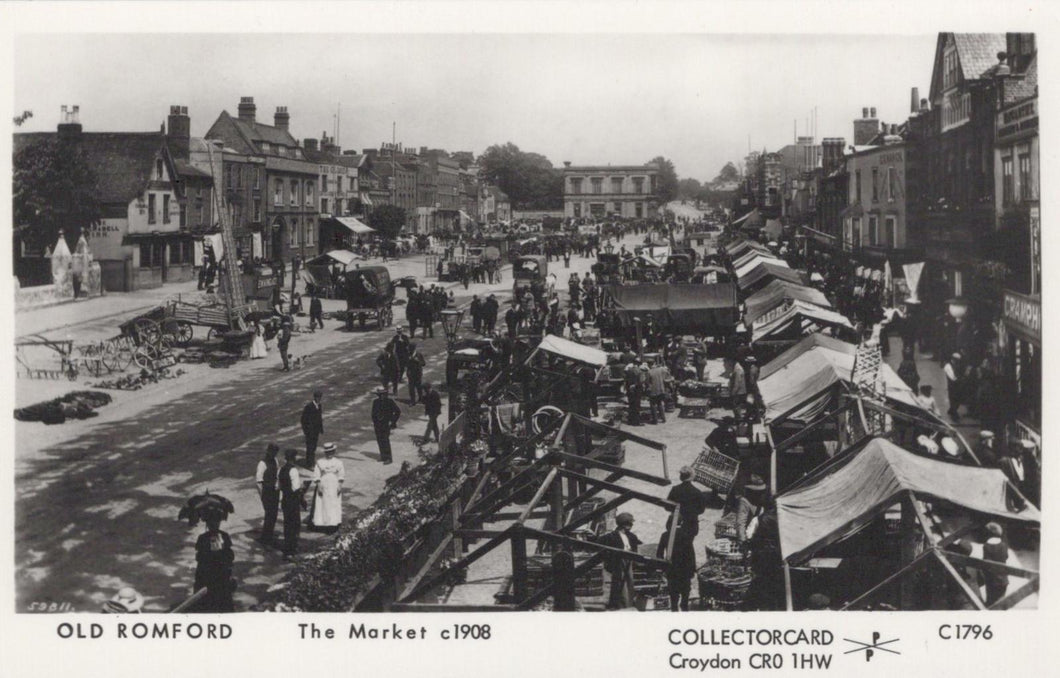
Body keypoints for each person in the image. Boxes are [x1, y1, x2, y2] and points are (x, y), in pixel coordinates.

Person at [597, 512, 642, 610]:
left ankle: (629, 604)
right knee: (618, 583)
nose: (632, 525)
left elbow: (635, 549)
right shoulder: (611, 536)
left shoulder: (631, 536)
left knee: (629, 582)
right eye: (630, 523)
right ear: (624, 524)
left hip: (628, 562)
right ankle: (617, 605)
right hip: (618, 562)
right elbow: (600, 544)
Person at [193, 517, 235, 612]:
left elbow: (229, 555)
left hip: (218, 573)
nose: (215, 525)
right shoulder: (204, 538)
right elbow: (199, 557)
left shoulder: (222, 536)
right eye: (212, 523)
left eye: (216, 522)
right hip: (209, 573)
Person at [656, 523, 696, 611]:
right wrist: (692, 569)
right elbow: (691, 554)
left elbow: (659, 553)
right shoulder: (686, 534)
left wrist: (663, 567)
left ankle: (674, 609)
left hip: (671, 569)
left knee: (673, 594)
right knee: (685, 592)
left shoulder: (665, 535)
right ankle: (684, 606)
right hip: (685, 569)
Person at [310, 443, 345, 532]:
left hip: (334, 484)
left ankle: (333, 522)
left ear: (334, 452)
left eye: (331, 452)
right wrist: (319, 485)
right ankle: (323, 522)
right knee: (323, 503)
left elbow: (341, 475)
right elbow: (317, 475)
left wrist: (340, 485)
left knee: (333, 503)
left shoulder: (338, 462)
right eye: (327, 452)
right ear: (325, 453)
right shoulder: (320, 462)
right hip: (324, 483)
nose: (329, 454)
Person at [667, 466, 707, 536]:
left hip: (674, 524)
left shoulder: (675, 489)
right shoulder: (697, 492)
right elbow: (701, 510)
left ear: (681, 477)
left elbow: (667, 507)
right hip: (691, 526)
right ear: (692, 477)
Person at [279, 449, 304, 559]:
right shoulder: (293, 470)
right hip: (293, 501)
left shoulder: (281, 469)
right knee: (294, 524)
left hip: (285, 499)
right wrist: (303, 488)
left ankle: (288, 547)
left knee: (287, 524)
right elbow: (296, 488)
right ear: (293, 458)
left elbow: (279, 486)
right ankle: (291, 549)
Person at [255, 443, 281, 545]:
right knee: (269, 514)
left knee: (274, 514)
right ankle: (265, 538)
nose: (273, 454)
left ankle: (269, 535)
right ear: (268, 452)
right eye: (272, 452)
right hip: (267, 492)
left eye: (275, 453)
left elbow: (277, 474)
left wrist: (277, 486)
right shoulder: (262, 463)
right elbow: (258, 481)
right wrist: (262, 494)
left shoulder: (275, 460)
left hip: (275, 491)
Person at [982, 523, 1009, 605]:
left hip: (991, 579)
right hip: (1002, 578)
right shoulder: (1003, 545)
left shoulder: (986, 546)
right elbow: (1006, 556)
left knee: (990, 601)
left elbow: (985, 560)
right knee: (1000, 602)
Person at [371, 387, 401, 464]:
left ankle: (389, 458)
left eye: (383, 394)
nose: (381, 396)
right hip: (378, 424)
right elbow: (373, 413)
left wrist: (393, 422)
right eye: (379, 395)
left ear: (385, 394)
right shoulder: (375, 402)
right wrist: (375, 422)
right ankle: (383, 456)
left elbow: (398, 411)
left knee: (385, 440)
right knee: (379, 440)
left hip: (386, 424)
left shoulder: (390, 402)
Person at [300, 390, 324, 468]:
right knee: (310, 447)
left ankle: (311, 462)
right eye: (318, 398)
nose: (319, 399)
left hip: (316, 431)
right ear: (315, 398)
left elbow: (319, 418)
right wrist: (306, 431)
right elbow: (303, 419)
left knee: (313, 447)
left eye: (320, 397)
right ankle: (309, 464)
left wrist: (321, 429)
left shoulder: (319, 406)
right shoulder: (309, 407)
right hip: (310, 432)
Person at [646, 358, 670, 425]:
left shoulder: (649, 372)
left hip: (653, 391)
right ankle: (663, 419)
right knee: (660, 404)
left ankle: (655, 420)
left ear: (649, 364)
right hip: (661, 389)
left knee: (653, 405)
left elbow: (647, 383)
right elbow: (667, 374)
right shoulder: (661, 369)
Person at [943, 352, 965, 420]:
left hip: (958, 385)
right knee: (953, 398)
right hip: (952, 385)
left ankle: (951, 410)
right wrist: (961, 379)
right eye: (957, 360)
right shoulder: (948, 366)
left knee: (957, 399)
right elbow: (952, 378)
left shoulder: (957, 365)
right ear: (953, 359)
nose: (958, 362)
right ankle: (954, 414)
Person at [624, 359, 642, 426]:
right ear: (638, 364)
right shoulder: (639, 371)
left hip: (630, 391)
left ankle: (630, 421)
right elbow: (640, 382)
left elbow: (626, 381)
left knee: (631, 405)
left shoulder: (629, 371)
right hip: (637, 391)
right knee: (637, 406)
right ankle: (636, 422)